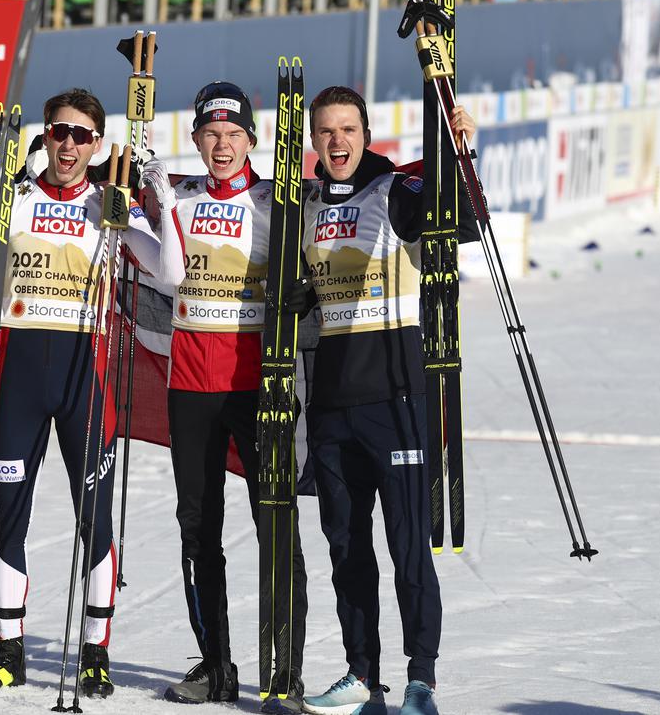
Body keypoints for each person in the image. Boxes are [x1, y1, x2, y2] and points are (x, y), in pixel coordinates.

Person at [0, 88, 164, 699]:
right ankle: (9, 651)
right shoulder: (16, 200)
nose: (70, 145)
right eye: (60, 132)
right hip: (18, 378)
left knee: (96, 520)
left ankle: (97, 653)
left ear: (98, 146)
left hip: (87, 379)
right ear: (46, 137)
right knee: (10, 518)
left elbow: (173, 273)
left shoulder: (109, 206)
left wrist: (149, 202)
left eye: (83, 136)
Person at [296, 85, 478, 715]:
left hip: (397, 399)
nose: (338, 142)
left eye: (348, 129)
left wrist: (456, 151)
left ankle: (420, 678)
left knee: (406, 547)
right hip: (332, 410)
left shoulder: (391, 191)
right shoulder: (308, 206)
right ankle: (361, 676)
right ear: (313, 140)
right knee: (346, 549)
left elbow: (457, 217)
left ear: (366, 134)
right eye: (327, 131)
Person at [143, 81, 310, 714]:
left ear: (252, 140)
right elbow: (98, 190)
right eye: (210, 134)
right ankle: (216, 666)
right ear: (195, 139)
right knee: (198, 530)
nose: (221, 145)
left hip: (257, 388)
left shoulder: (278, 203)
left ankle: (284, 674)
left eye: (233, 135)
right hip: (190, 388)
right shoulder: (176, 198)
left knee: (276, 527)